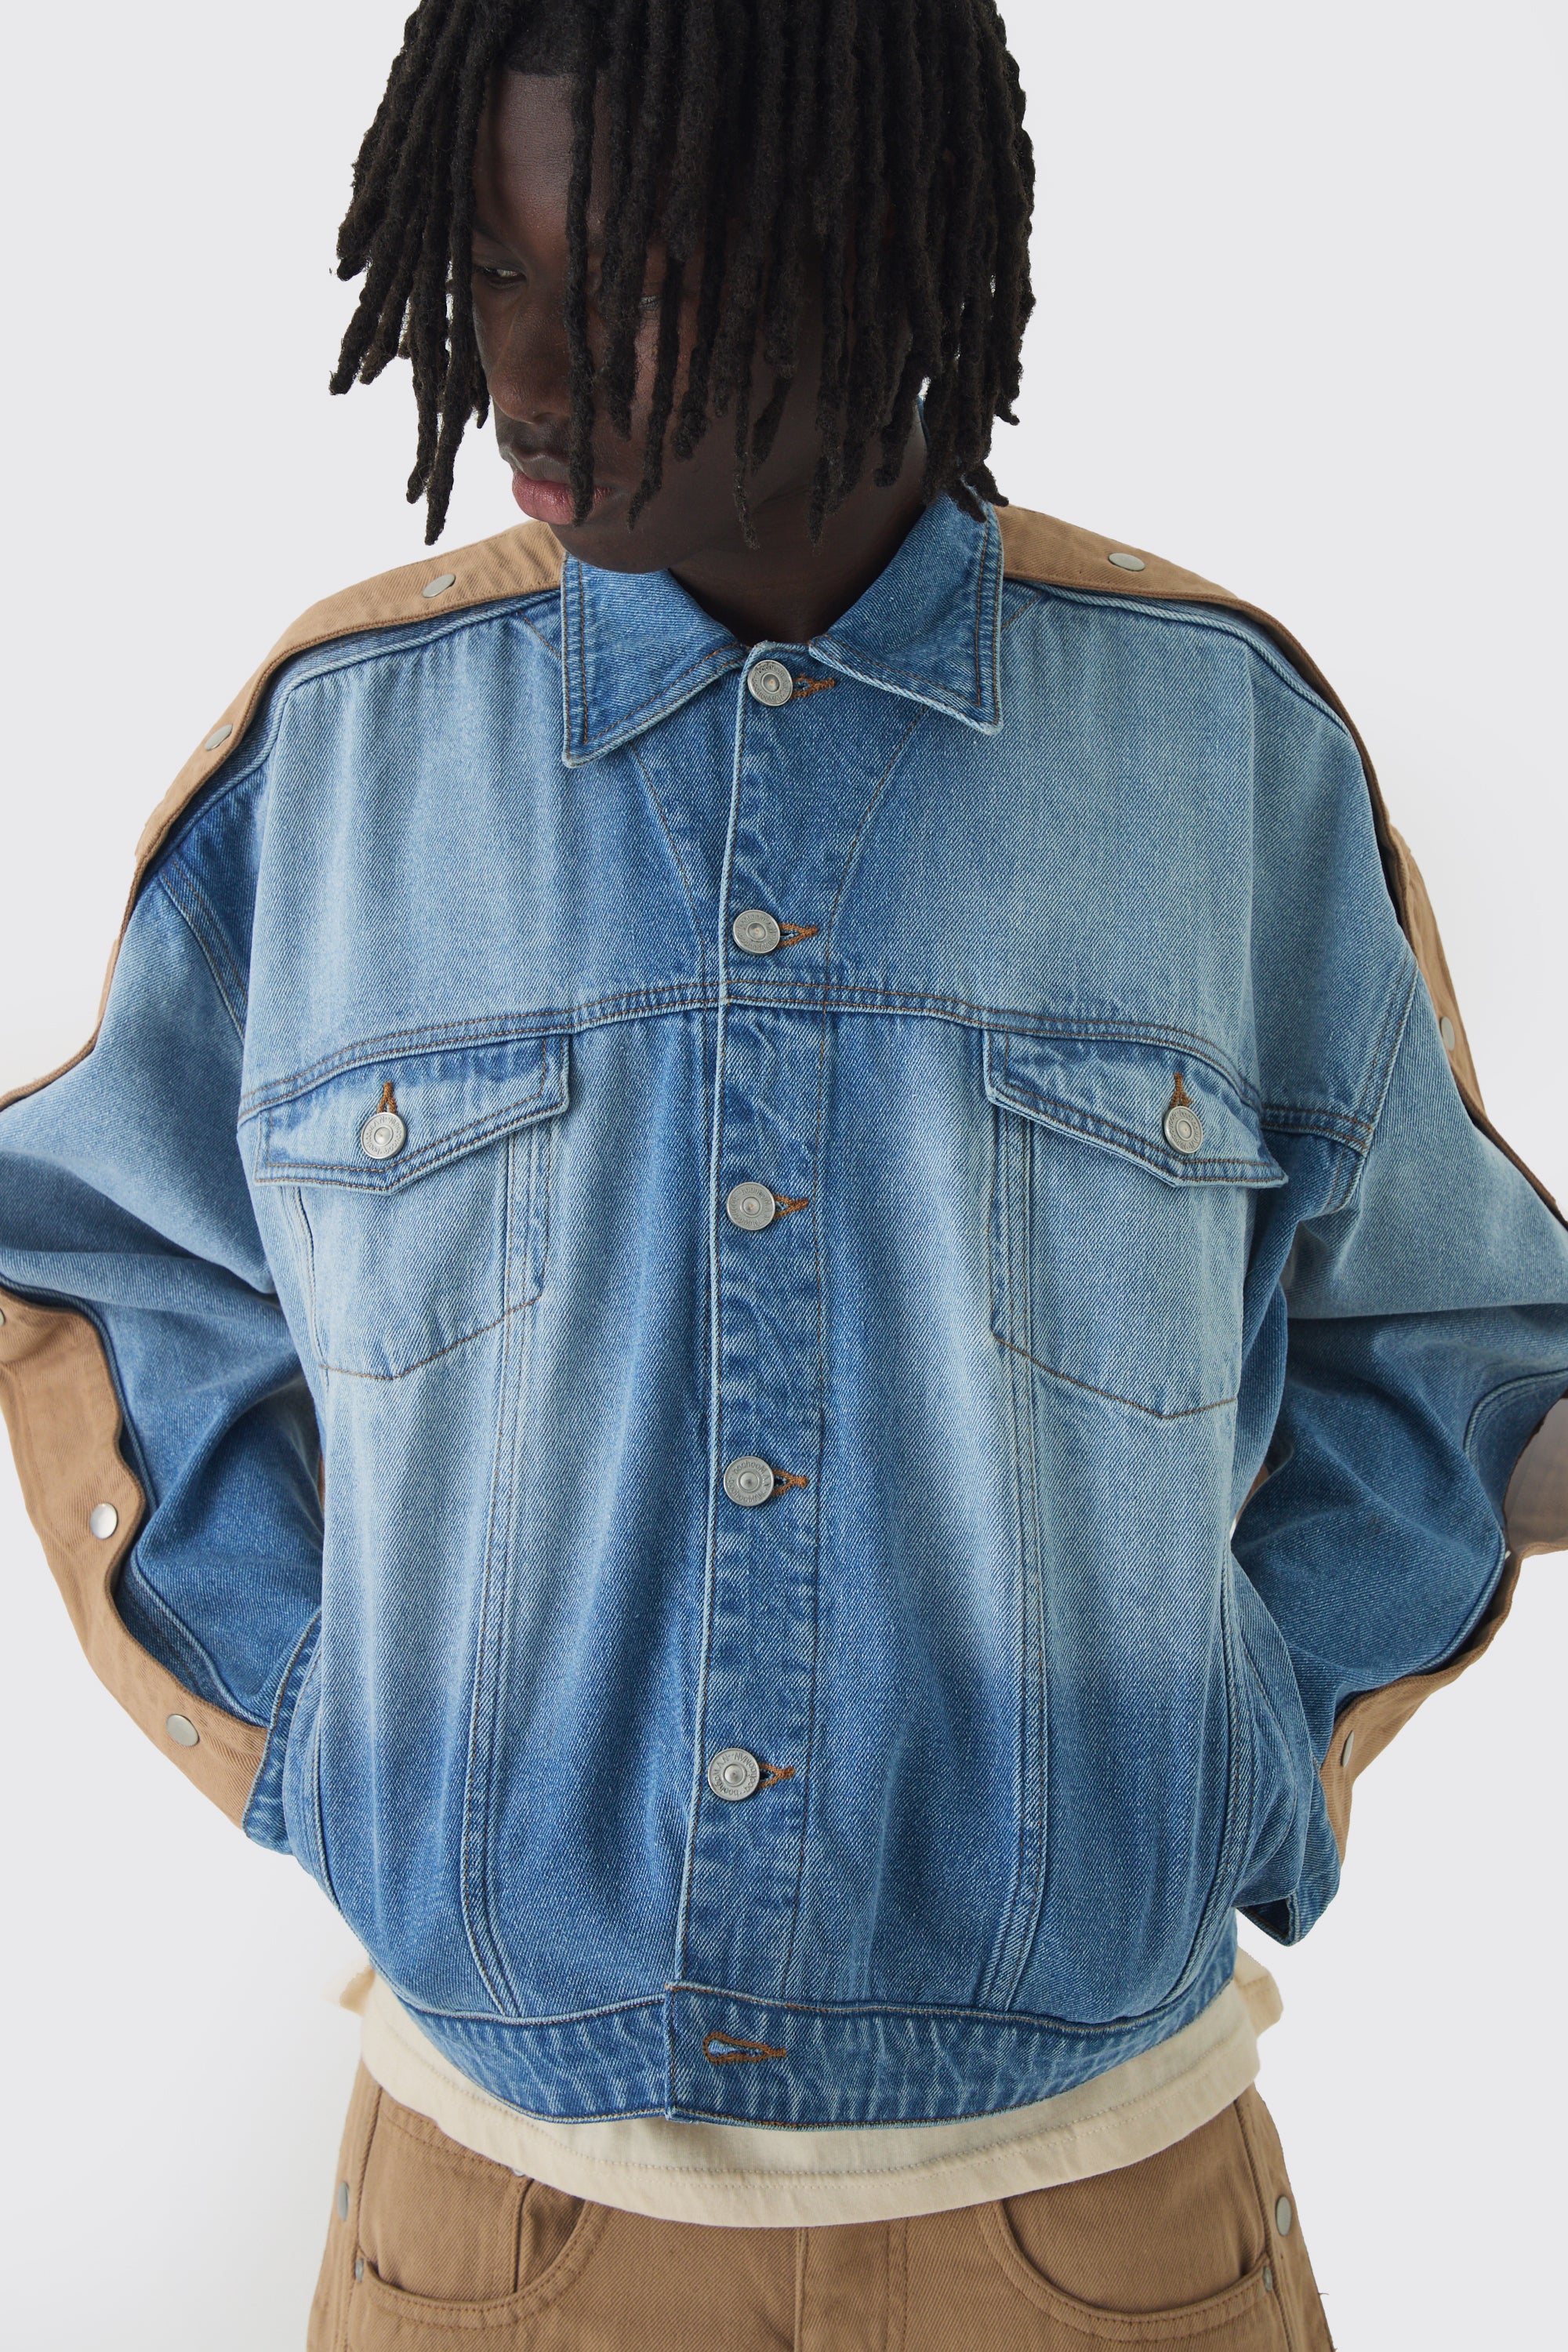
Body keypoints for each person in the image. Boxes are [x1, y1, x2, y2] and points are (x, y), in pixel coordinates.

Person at [1, 2, 1564, 2344]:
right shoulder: (337, 763)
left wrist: (1241, 1743)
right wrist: (333, 1731)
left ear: (864, 246)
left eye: (631, 282)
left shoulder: (1217, 748)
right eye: (491, 275)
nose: (527, 385)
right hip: (490, 2236)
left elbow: (1445, 1344)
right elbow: (105, 1272)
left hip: (1103, 2233)